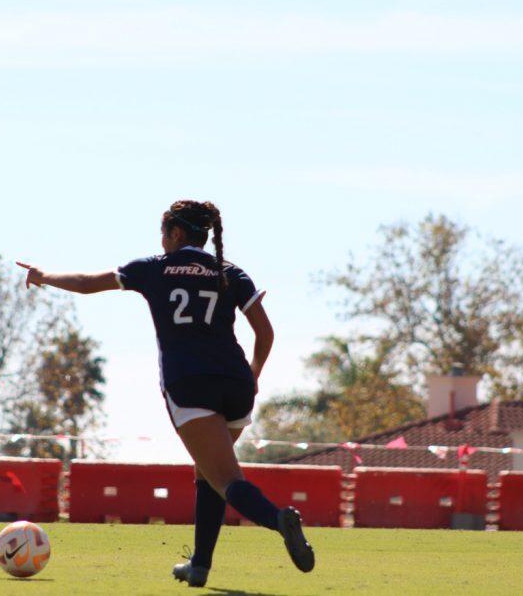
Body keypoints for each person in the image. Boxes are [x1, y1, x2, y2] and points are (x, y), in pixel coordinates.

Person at [17, 199, 314, 588]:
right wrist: (254, 374)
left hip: (191, 384)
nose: (161, 240)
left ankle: (279, 520)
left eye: (163, 233)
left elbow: (89, 284)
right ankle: (200, 567)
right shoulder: (231, 272)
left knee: (225, 478)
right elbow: (266, 333)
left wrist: (44, 276)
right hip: (237, 385)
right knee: (207, 474)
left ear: (175, 233)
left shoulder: (154, 268)